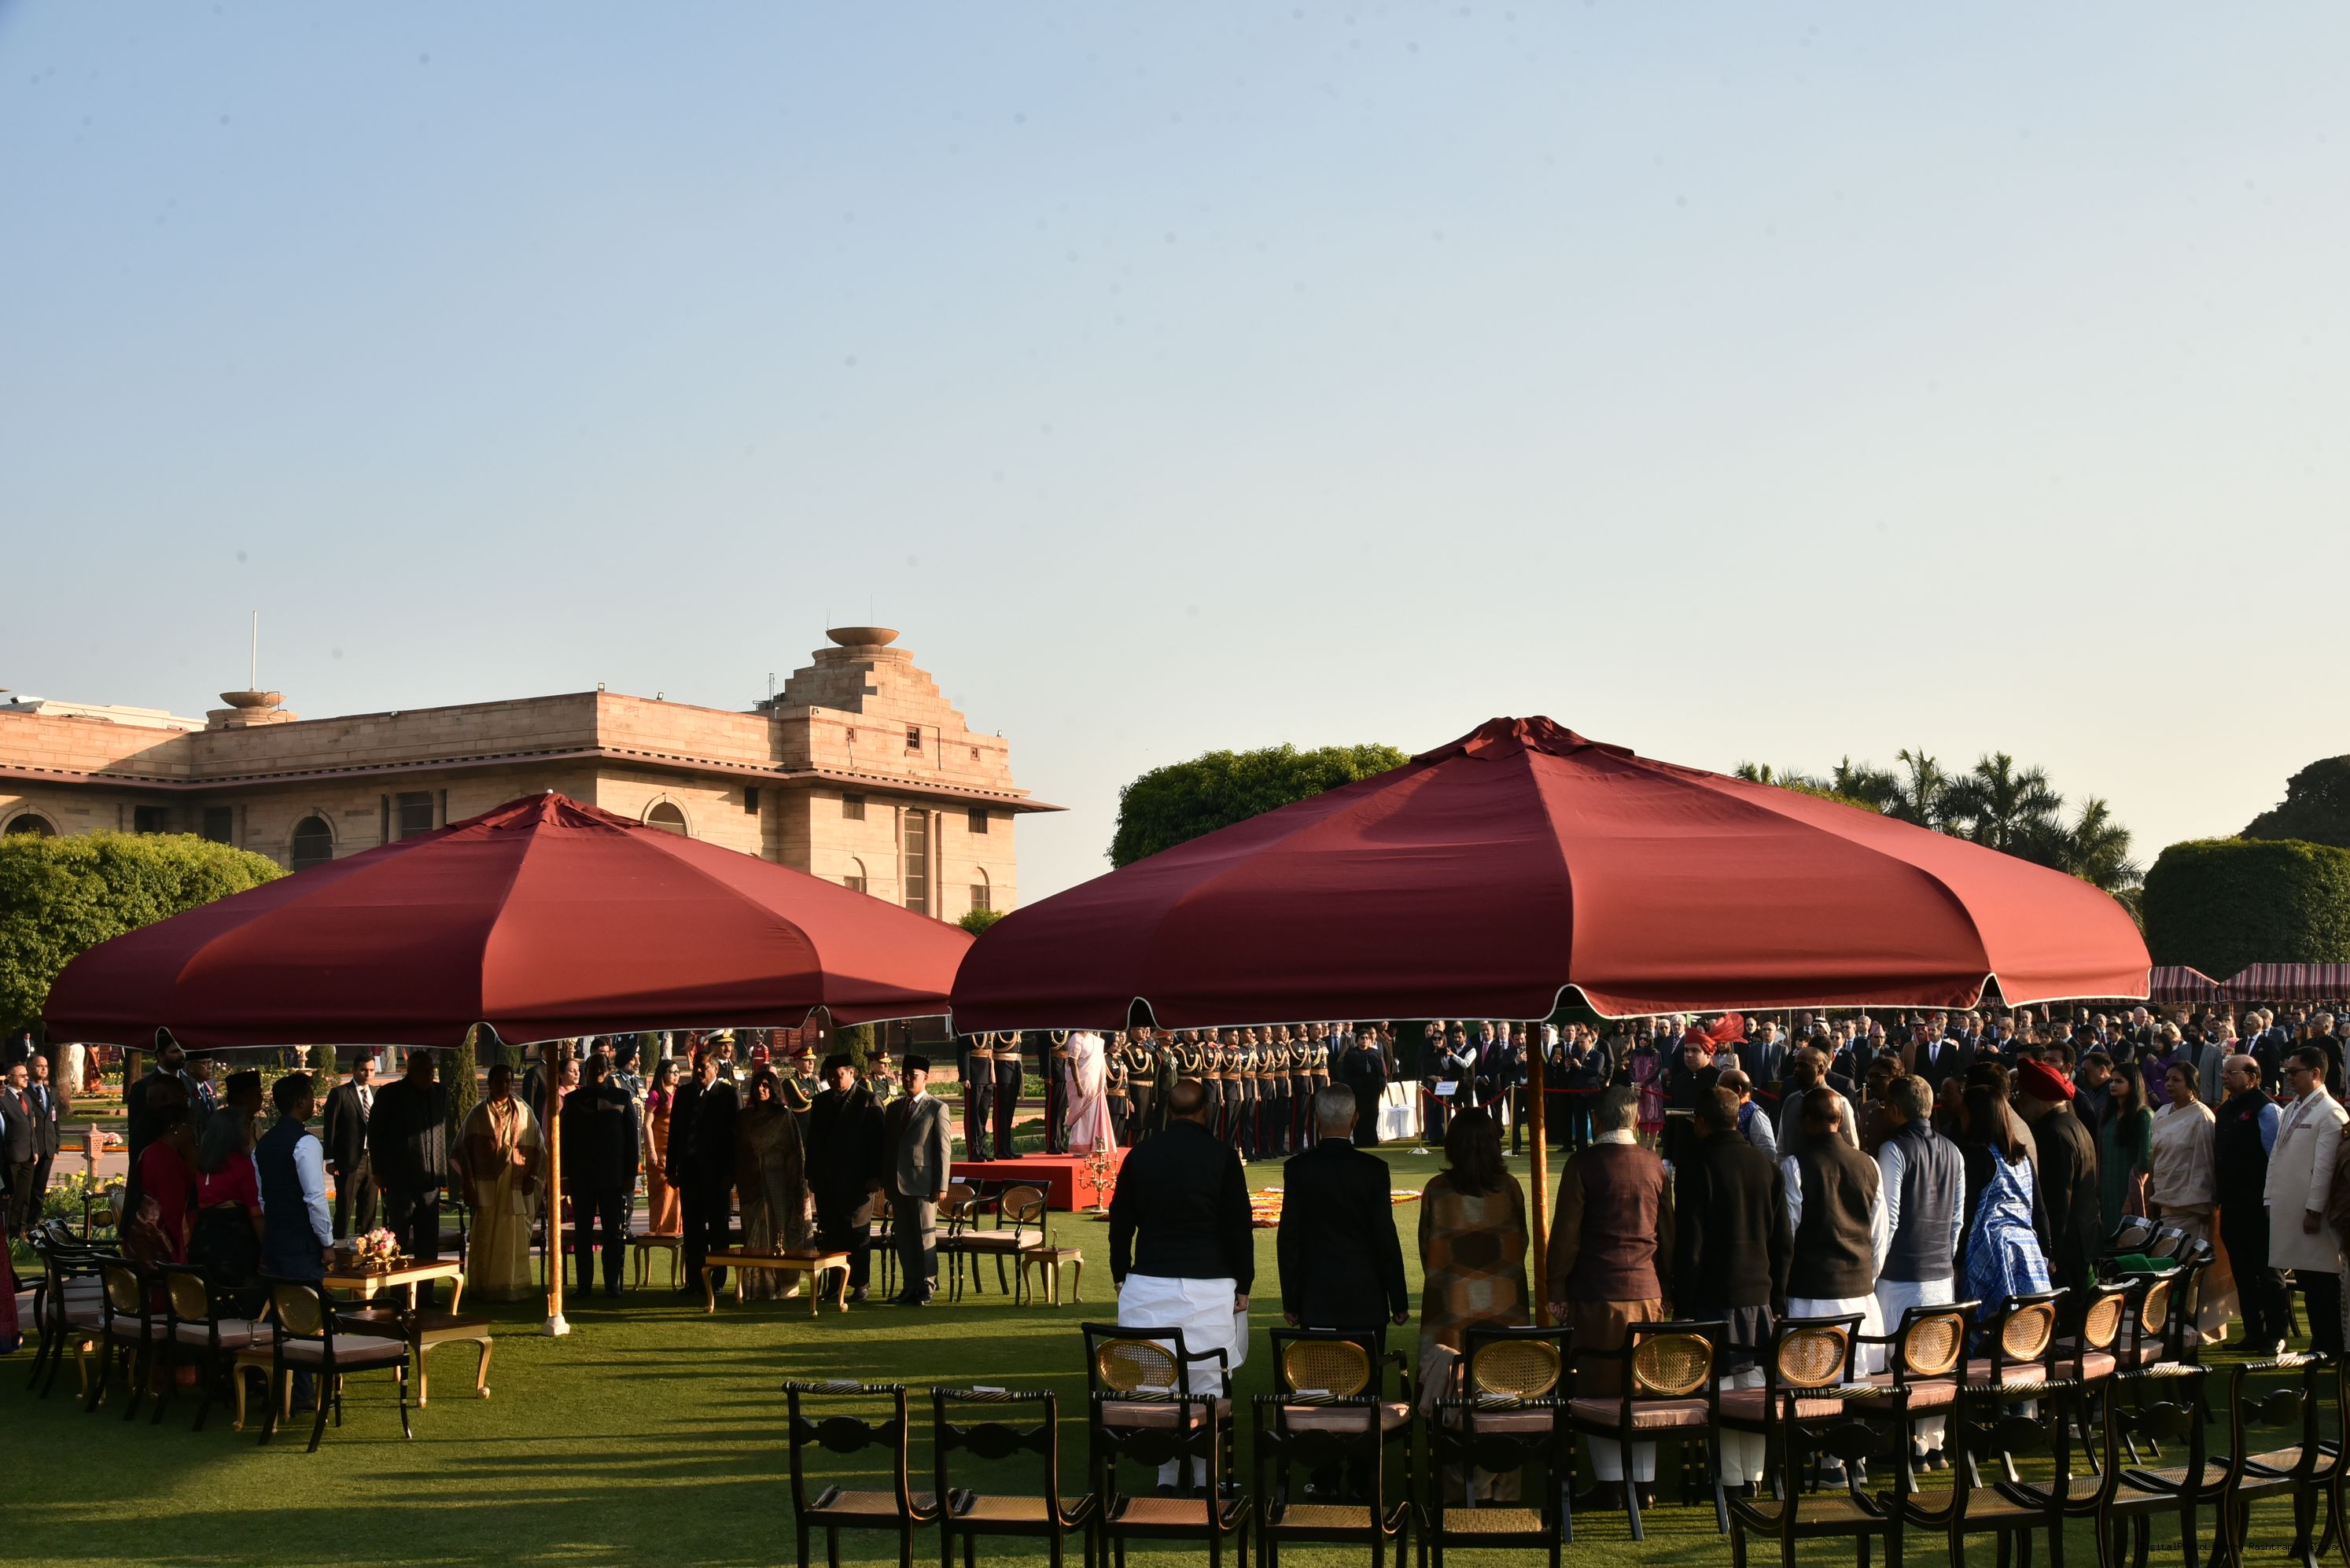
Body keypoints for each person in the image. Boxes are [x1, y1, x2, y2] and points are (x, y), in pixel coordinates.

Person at [1107, 1077, 1253, 1487]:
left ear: (1168, 1112)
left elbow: (1121, 1221)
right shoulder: (1222, 1156)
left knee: (1155, 1381)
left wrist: (1120, 1273)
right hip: (1209, 1284)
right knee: (1207, 1385)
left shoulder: (1142, 1154)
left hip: (1149, 1281)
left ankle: (1166, 1476)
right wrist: (1244, 1283)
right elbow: (1238, 1227)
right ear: (1206, 1111)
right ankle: (1206, 1478)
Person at [1545, 1086, 1673, 1504]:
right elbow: (1667, 1234)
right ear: (1635, 1120)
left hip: (1598, 1292)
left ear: (1595, 1120)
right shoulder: (1655, 1165)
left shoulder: (1583, 1164)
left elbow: (1566, 1235)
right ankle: (1646, 1482)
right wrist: (1668, 1287)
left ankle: (1611, 1483)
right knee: (1643, 1385)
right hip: (1647, 1291)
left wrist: (1556, 1287)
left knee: (1598, 1385)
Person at [1673, 1086, 1792, 1496]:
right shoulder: (1766, 1166)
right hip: (1759, 1295)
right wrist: (1778, 1298)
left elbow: (1690, 1245)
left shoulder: (1697, 1166)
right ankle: (1752, 1476)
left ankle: (1729, 1477)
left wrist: (1684, 1304)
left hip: (1714, 1296)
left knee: (1721, 1388)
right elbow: (1783, 1242)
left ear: (1701, 1123)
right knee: (1754, 1388)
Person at [1871, 1073, 1963, 1465]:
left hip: (1900, 1274)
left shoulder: (1893, 1149)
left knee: (1900, 1363)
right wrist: (1943, 1257)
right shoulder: (1953, 1151)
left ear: (1895, 1110)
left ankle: (1911, 1445)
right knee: (1933, 1361)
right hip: (1940, 1272)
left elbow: (1887, 1219)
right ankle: (1932, 1444)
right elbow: (1957, 1221)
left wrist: (1874, 1270)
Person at [1276, 1086, 1409, 1331]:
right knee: (1368, 1357)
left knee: (1320, 1359)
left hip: (1315, 1297)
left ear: (1317, 1120)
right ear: (1355, 1119)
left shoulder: (1298, 1169)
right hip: (1366, 1296)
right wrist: (1399, 1300)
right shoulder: (1374, 1170)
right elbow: (1385, 1237)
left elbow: (1289, 1239)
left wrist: (1291, 1301)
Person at [1780, 1088, 1888, 1375]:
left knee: (1808, 1385)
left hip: (1810, 1295)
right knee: (1855, 1382)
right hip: (1859, 1295)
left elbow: (1788, 1233)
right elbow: (1880, 1234)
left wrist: (1782, 1286)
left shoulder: (1795, 1166)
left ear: (1805, 1120)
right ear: (1840, 1121)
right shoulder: (1869, 1164)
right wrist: (1867, 1277)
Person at [256, 1073, 334, 1412]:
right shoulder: (305, 1143)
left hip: (277, 1237)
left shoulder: (263, 1144)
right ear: (301, 1101)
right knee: (305, 1315)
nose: (314, 1102)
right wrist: (327, 1241)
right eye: (311, 1096)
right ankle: (302, 1391)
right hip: (302, 1241)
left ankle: (280, 1386)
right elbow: (315, 1198)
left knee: (282, 1313)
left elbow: (262, 1198)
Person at [2267, 1046, 2347, 1355]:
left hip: (2313, 1213)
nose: (2289, 1078)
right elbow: (2276, 1154)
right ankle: (2319, 1343)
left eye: (2294, 1072)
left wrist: (2314, 1209)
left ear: (2315, 1073)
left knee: (2323, 1282)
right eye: (2287, 1072)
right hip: (2290, 1207)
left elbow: (2326, 1167)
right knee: (2308, 1282)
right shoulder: (2292, 1107)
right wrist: (2268, 1196)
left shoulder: (2331, 1112)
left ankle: (2331, 1346)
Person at [2148, 1058, 2230, 1342]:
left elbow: (2208, 1163)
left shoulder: (2202, 1117)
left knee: (2190, 1268)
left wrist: (2205, 1204)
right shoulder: (2161, 1113)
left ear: (2191, 1085)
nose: (2170, 1085)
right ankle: (2166, 1322)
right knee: (2166, 1265)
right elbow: (2155, 1158)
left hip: (2192, 1203)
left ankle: (2193, 1324)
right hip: (2165, 1198)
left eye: (2177, 1080)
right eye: (2167, 1079)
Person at [2013, 1059, 2101, 1319]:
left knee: (2067, 1324)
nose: (2020, 1102)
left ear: (2040, 1098)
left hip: (2067, 1250)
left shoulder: (2053, 1133)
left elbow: (2057, 1200)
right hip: (2082, 1241)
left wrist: (2050, 1253)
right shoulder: (2073, 1125)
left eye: (2023, 1095)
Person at [453, 1063, 543, 1302]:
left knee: (513, 1237)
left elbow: (538, 1147)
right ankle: (484, 1287)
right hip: (486, 1188)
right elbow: (460, 1149)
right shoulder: (478, 1114)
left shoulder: (524, 1112)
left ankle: (514, 1286)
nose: (505, 1085)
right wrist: (469, 1183)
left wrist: (532, 1177)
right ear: (490, 1084)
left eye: (508, 1081)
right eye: (500, 1081)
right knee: (486, 1236)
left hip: (515, 1186)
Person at [1959, 1080, 2051, 1314]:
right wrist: (2046, 1254)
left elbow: (1966, 1212)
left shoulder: (1976, 1156)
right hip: (2027, 1249)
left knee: (1989, 1323)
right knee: (2025, 1322)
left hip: (1990, 1252)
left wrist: (1957, 1260)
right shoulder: (2021, 1157)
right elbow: (2039, 1210)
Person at [2216, 1052, 2286, 1354]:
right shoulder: (2224, 1110)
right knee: (2242, 1273)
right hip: (2231, 1204)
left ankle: (2277, 1334)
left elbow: (2276, 1158)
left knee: (2268, 1272)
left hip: (2259, 1205)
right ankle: (2253, 1332)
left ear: (2253, 1078)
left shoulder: (2266, 1109)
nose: (2225, 1077)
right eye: (2224, 1072)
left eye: (2232, 1072)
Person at [807, 1052, 886, 1302]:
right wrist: (811, 1175)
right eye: (830, 1076)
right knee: (831, 1234)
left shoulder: (868, 1100)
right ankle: (834, 1285)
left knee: (857, 1235)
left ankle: (860, 1284)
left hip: (858, 1182)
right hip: (828, 1181)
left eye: (839, 1075)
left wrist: (876, 1176)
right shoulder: (820, 1101)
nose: (834, 1080)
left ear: (851, 1073)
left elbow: (879, 1143)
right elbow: (813, 1142)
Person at [561, 1054, 640, 1299]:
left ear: (608, 1070)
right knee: (583, 1233)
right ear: (586, 1071)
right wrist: (565, 1177)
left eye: (602, 1067)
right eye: (593, 1067)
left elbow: (632, 1140)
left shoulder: (622, 1098)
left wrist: (631, 1174)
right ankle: (584, 1284)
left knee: (612, 1233)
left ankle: (611, 1284)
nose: (597, 1071)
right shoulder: (574, 1100)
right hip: (582, 1177)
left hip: (613, 1177)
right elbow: (565, 1141)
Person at [190, 1076, 267, 1315]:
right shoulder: (241, 1164)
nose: (248, 1129)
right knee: (241, 1305)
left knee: (212, 1303)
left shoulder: (203, 1164)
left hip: (204, 1237)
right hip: (235, 1240)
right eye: (245, 1125)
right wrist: (266, 1249)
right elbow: (256, 1213)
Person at [669, 1046, 740, 1295]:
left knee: (718, 1230)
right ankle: (695, 1282)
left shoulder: (728, 1094)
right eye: (697, 1067)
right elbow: (675, 1133)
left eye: (704, 1067)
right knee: (693, 1230)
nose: (699, 1071)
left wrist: (731, 1173)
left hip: (717, 1175)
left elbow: (734, 1138)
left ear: (716, 1069)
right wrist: (671, 1168)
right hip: (690, 1173)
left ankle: (717, 1282)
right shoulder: (684, 1093)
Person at [733, 1065, 810, 1298]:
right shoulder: (745, 1117)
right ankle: (756, 1286)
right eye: (758, 1085)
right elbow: (738, 1151)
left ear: (774, 1089)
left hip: (778, 1184)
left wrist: (794, 1185)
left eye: (766, 1085)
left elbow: (795, 1153)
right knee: (753, 1232)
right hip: (751, 1184)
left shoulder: (784, 1117)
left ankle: (783, 1284)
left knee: (778, 1232)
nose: (761, 1089)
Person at [883, 1054, 954, 1306]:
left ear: (926, 1078)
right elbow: (889, 1148)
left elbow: (944, 1149)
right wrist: (887, 1182)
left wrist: (942, 1185)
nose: (907, 1079)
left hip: (924, 1184)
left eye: (913, 1075)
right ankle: (909, 1286)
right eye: (904, 1075)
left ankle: (927, 1286)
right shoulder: (894, 1108)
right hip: (898, 1184)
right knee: (904, 1238)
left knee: (925, 1237)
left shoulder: (937, 1108)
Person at [320, 1054, 378, 1241]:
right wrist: (330, 1160)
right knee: (345, 1207)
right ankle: (339, 1246)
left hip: (373, 1160)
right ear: (354, 1070)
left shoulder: (377, 1093)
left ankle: (366, 1247)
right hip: (348, 1160)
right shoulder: (340, 1093)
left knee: (369, 1208)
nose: (368, 1074)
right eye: (364, 1070)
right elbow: (330, 1128)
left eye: (372, 1070)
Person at [2098, 1059, 2153, 1239]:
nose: (2113, 1085)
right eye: (2111, 1081)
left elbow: (2145, 1161)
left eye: (2119, 1081)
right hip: (2107, 1187)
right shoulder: (2108, 1115)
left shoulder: (2143, 1115)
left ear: (2133, 1084)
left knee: (2127, 1238)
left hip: (2129, 1187)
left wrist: (2130, 1199)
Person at [641, 1057, 683, 1238]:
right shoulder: (656, 1095)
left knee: (678, 1192)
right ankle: (659, 1232)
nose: (675, 1075)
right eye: (671, 1072)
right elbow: (647, 1124)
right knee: (661, 1194)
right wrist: (651, 1151)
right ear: (662, 1074)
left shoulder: (680, 1094)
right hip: (659, 1152)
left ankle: (677, 1232)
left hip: (677, 1151)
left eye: (677, 1072)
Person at [1063, 1030, 1120, 1156]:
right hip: (1082, 1083)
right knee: (1083, 1115)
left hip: (1096, 1085)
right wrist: (1078, 1085)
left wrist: (1104, 1082)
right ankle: (1080, 1147)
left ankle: (1095, 1146)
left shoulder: (1096, 1040)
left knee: (1094, 1115)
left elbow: (1101, 1062)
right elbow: (1072, 1062)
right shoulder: (1076, 1038)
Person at [0, 1062, 37, 1235]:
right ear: (10, 1078)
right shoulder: (3, 1098)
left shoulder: (26, 1097)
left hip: (28, 1155)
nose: (26, 1078)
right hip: (12, 1155)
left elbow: (31, 1126)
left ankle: (20, 1231)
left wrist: (34, 1149)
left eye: (26, 1075)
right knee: (12, 1197)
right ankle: (10, 1232)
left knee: (24, 1196)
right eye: (22, 1076)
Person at [1338, 1030, 1390, 1148]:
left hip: (1373, 1091)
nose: (1365, 1040)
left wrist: (1382, 1086)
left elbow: (1381, 1072)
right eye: (1362, 1038)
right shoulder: (1351, 1054)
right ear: (1357, 1040)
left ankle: (1372, 1140)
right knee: (1359, 1115)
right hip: (1358, 1091)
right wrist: (1349, 1089)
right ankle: (1360, 1141)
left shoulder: (1375, 1053)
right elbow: (1346, 1074)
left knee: (1373, 1114)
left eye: (1367, 1038)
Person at [1715, 1068, 1777, 1158]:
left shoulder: (1755, 1114)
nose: (1717, 1090)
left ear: (1737, 1090)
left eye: (1721, 1086)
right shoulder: (1722, 1109)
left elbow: (1769, 1152)